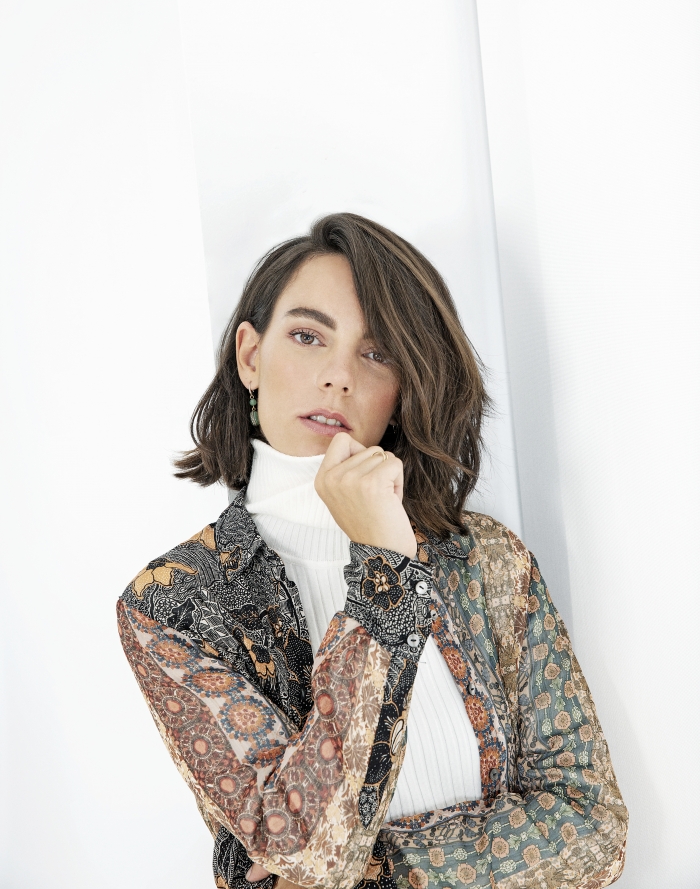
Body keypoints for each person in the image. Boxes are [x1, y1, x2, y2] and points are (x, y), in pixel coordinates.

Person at [117, 213, 627, 889]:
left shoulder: (485, 560)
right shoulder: (174, 603)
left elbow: (592, 828)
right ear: (250, 356)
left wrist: (379, 871)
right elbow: (309, 849)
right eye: (307, 336)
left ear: (404, 387)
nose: (338, 376)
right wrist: (385, 571)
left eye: (377, 352)